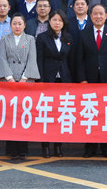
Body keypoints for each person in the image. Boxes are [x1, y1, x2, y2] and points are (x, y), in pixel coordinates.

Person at [76, 4, 107, 158]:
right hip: (89, 80)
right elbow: (79, 59)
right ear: (90, 16)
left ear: (106, 16)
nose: (98, 17)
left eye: (101, 14)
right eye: (95, 14)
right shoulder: (83, 34)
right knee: (90, 113)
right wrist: (82, 78)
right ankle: (90, 146)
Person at [0, 14, 40, 160]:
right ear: (11, 25)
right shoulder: (4, 39)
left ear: (24, 25)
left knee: (23, 115)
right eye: (14, 23)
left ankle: (22, 150)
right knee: (10, 115)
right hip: (8, 81)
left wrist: (24, 79)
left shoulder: (30, 39)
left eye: (20, 23)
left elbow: (32, 59)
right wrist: (9, 78)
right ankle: (11, 149)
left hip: (26, 81)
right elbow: (2, 58)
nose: (17, 26)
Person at [36, 10, 73, 158]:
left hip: (63, 80)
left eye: (60, 20)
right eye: (54, 20)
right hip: (47, 79)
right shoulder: (42, 37)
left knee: (60, 114)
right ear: (49, 22)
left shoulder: (68, 37)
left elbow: (71, 59)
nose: (57, 23)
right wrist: (40, 80)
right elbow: (39, 60)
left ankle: (58, 146)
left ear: (63, 23)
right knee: (46, 114)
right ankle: (45, 146)